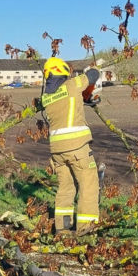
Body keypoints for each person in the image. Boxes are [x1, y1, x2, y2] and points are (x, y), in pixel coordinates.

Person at [41, 58, 101, 234]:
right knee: (88, 187)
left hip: (57, 152)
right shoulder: (72, 85)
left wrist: (85, 101)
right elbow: (92, 76)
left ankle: (63, 230)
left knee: (65, 189)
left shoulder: (47, 97)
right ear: (62, 71)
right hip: (77, 148)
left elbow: (68, 104)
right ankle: (86, 231)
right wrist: (96, 68)